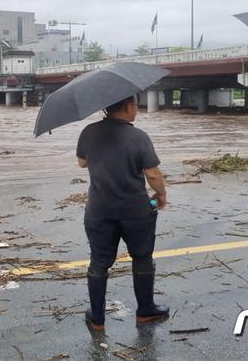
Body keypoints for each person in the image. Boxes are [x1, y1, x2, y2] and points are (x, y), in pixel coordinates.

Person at [76, 94, 169, 331]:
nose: (136, 109)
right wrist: (161, 196)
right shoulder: (138, 137)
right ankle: (145, 311)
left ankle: (96, 318)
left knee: (98, 263)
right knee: (142, 258)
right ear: (128, 106)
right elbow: (153, 174)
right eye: (136, 105)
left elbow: (82, 163)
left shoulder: (89, 132)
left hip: (98, 210)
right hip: (136, 211)